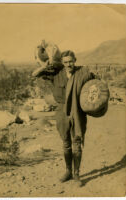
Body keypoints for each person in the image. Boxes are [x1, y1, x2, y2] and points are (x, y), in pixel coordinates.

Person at [33, 50, 95, 186]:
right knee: (66, 143)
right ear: (62, 62)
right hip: (61, 111)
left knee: (77, 142)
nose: (68, 64)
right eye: (65, 62)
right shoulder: (56, 74)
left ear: (75, 60)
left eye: (71, 61)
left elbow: (95, 85)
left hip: (78, 111)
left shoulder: (83, 73)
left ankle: (77, 174)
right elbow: (34, 75)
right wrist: (44, 66)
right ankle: (68, 171)